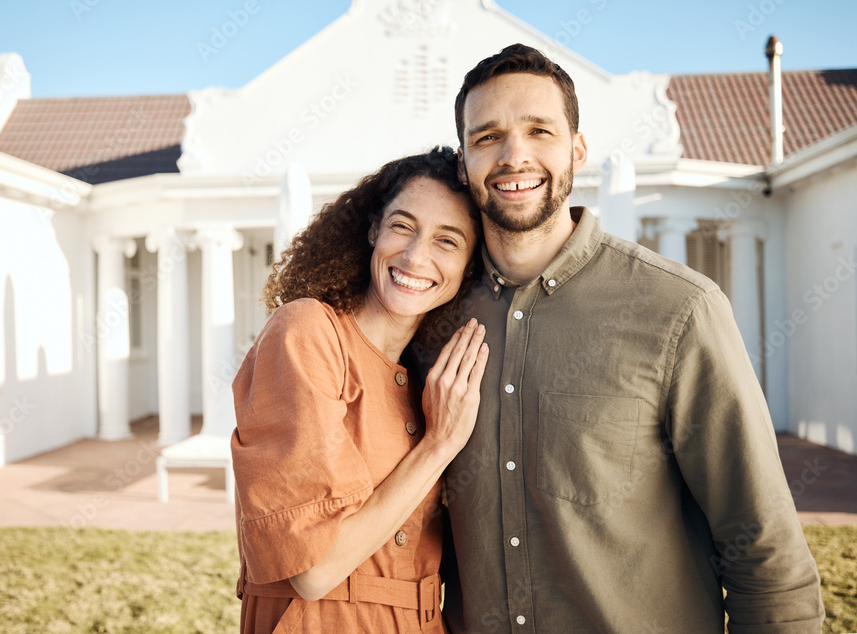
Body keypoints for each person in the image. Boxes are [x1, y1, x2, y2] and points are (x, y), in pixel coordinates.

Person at [436, 44, 825, 633]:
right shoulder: (433, 317)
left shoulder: (678, 310)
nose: (514, 155)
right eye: (487, 137)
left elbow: (763, 550)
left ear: (577, 149)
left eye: (539, 130)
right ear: (464, 160)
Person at [231, 146, 489, 633]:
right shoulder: (307, 331)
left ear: (469, 265)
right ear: (374, 230)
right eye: (402, 226)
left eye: (447, 241)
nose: (416, 256)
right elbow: (314, 569)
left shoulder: (425, 376)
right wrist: (439, 445)